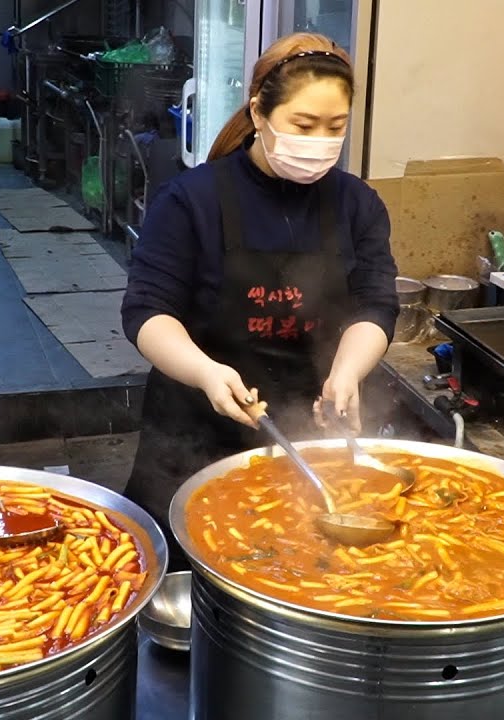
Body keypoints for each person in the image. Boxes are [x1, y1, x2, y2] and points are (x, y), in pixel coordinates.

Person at [120, 33, 399, 569]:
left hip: (310, 429)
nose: (320, 141)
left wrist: (346, 373)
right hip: (194, 426)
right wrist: (205, 372)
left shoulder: (358, 204)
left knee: (318, 570)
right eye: (304, 125)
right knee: (182, 574)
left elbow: (375, 305)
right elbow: (147, 312)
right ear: (258, 112)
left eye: (335, 127)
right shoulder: (191, 200)